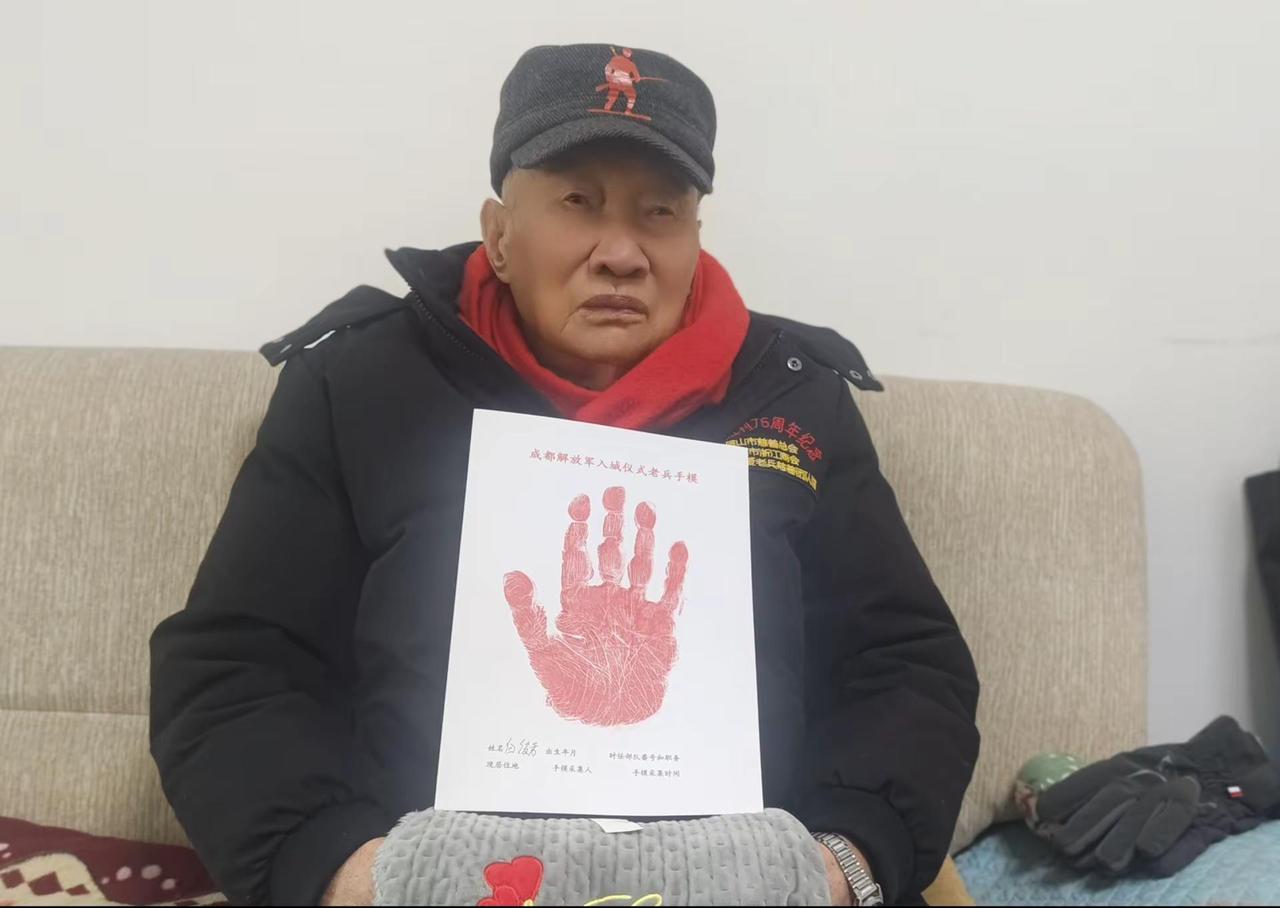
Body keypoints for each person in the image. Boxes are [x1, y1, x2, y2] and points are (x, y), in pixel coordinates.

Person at [150, 43, 980, 906]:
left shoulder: (793, 394)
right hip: (431, 880)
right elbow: (238, 663)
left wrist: (840, 866)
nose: (621, 252)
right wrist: (340, 873)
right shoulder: (358, 383)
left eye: (660, 211)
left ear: (696, 237)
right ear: (500, 235)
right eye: (578, 202)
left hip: (744, 881)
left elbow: (903, 662)